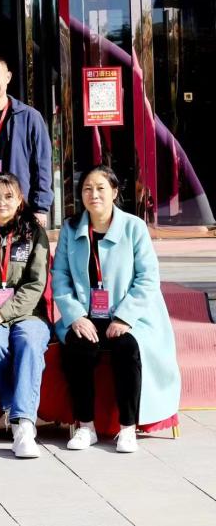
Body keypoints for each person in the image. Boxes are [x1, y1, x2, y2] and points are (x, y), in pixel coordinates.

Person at [52, 165, 180, 453]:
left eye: (100, 188)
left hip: (131, 316)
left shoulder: (134, 227)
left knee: (127, 348)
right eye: (87, 189)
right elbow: (59, 276)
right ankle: (86, 427)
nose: (93, 194)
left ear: (114, 192)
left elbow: (147, 278)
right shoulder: (70, 229)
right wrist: (75, 316)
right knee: (79, 347)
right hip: (86, 315)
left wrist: (124, 317)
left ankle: (127, 428)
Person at [0, 172, 51, 458]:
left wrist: (3, 313)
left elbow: (36, 284)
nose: (2, 202)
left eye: (9, 196)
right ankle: (15, 406)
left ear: (20, 200)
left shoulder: (33, 232)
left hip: (28, 313)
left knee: (29, 342)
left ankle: (23, 426)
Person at [0, 56, 53, 225]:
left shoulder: (29, 117)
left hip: (20, 208)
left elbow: (42, 165)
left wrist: (40, 208)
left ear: (8, 77)